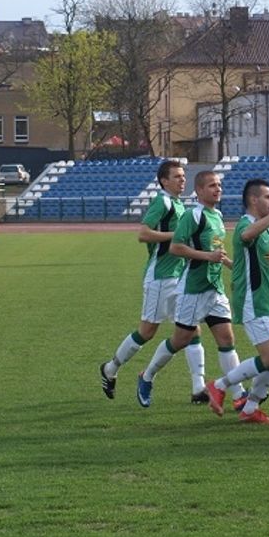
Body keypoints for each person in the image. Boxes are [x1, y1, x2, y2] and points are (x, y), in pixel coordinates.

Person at [98, 159, 208, 404]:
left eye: (183, 176)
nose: (182, 180)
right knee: (147, 331)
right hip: (161, 277)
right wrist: (178, 235)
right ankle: (111, 368)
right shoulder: (163, 201)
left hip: (178, 277)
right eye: (177, 177)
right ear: (164, 181)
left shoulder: (179, 205)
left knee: (191, 329)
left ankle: (198, 388)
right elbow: (143, 233)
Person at [135, 170, 247, 409]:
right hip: (193, 290)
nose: (217, 189)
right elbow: (176, 247)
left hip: (214, 288)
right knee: (180, 340)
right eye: (211, 186)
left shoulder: (217, 215)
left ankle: (239, 395)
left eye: (219, 185)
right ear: (198, 191)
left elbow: (218, 251)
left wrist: (232, 267)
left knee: (226, 338)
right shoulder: (193, 216)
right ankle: (147, 376)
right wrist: (208, 256)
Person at [204, 179, 269, 424]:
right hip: (251, 300)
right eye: (268, 197)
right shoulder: (246, 224)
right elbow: (246, 235)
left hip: (267, 300)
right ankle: (219, 385)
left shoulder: (263, 227)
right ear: (253, 200)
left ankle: (250, 409)